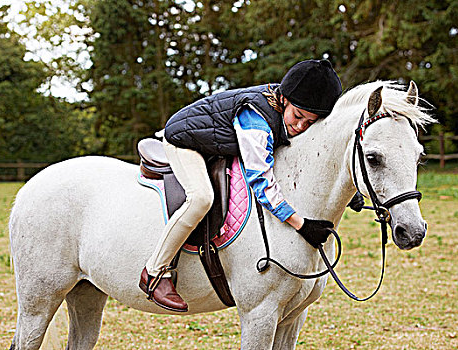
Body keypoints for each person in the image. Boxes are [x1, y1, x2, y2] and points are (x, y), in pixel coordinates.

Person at [139, 59, 343, 312]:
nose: (300, 127)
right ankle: (155, 271)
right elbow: (261, 180)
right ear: (284, 100)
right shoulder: (256, 119)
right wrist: (300, 224)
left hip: (213, 142)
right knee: (201, 198)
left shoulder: (288, 114)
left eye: (310, 123)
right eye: (298, 116)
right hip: (184, 140)